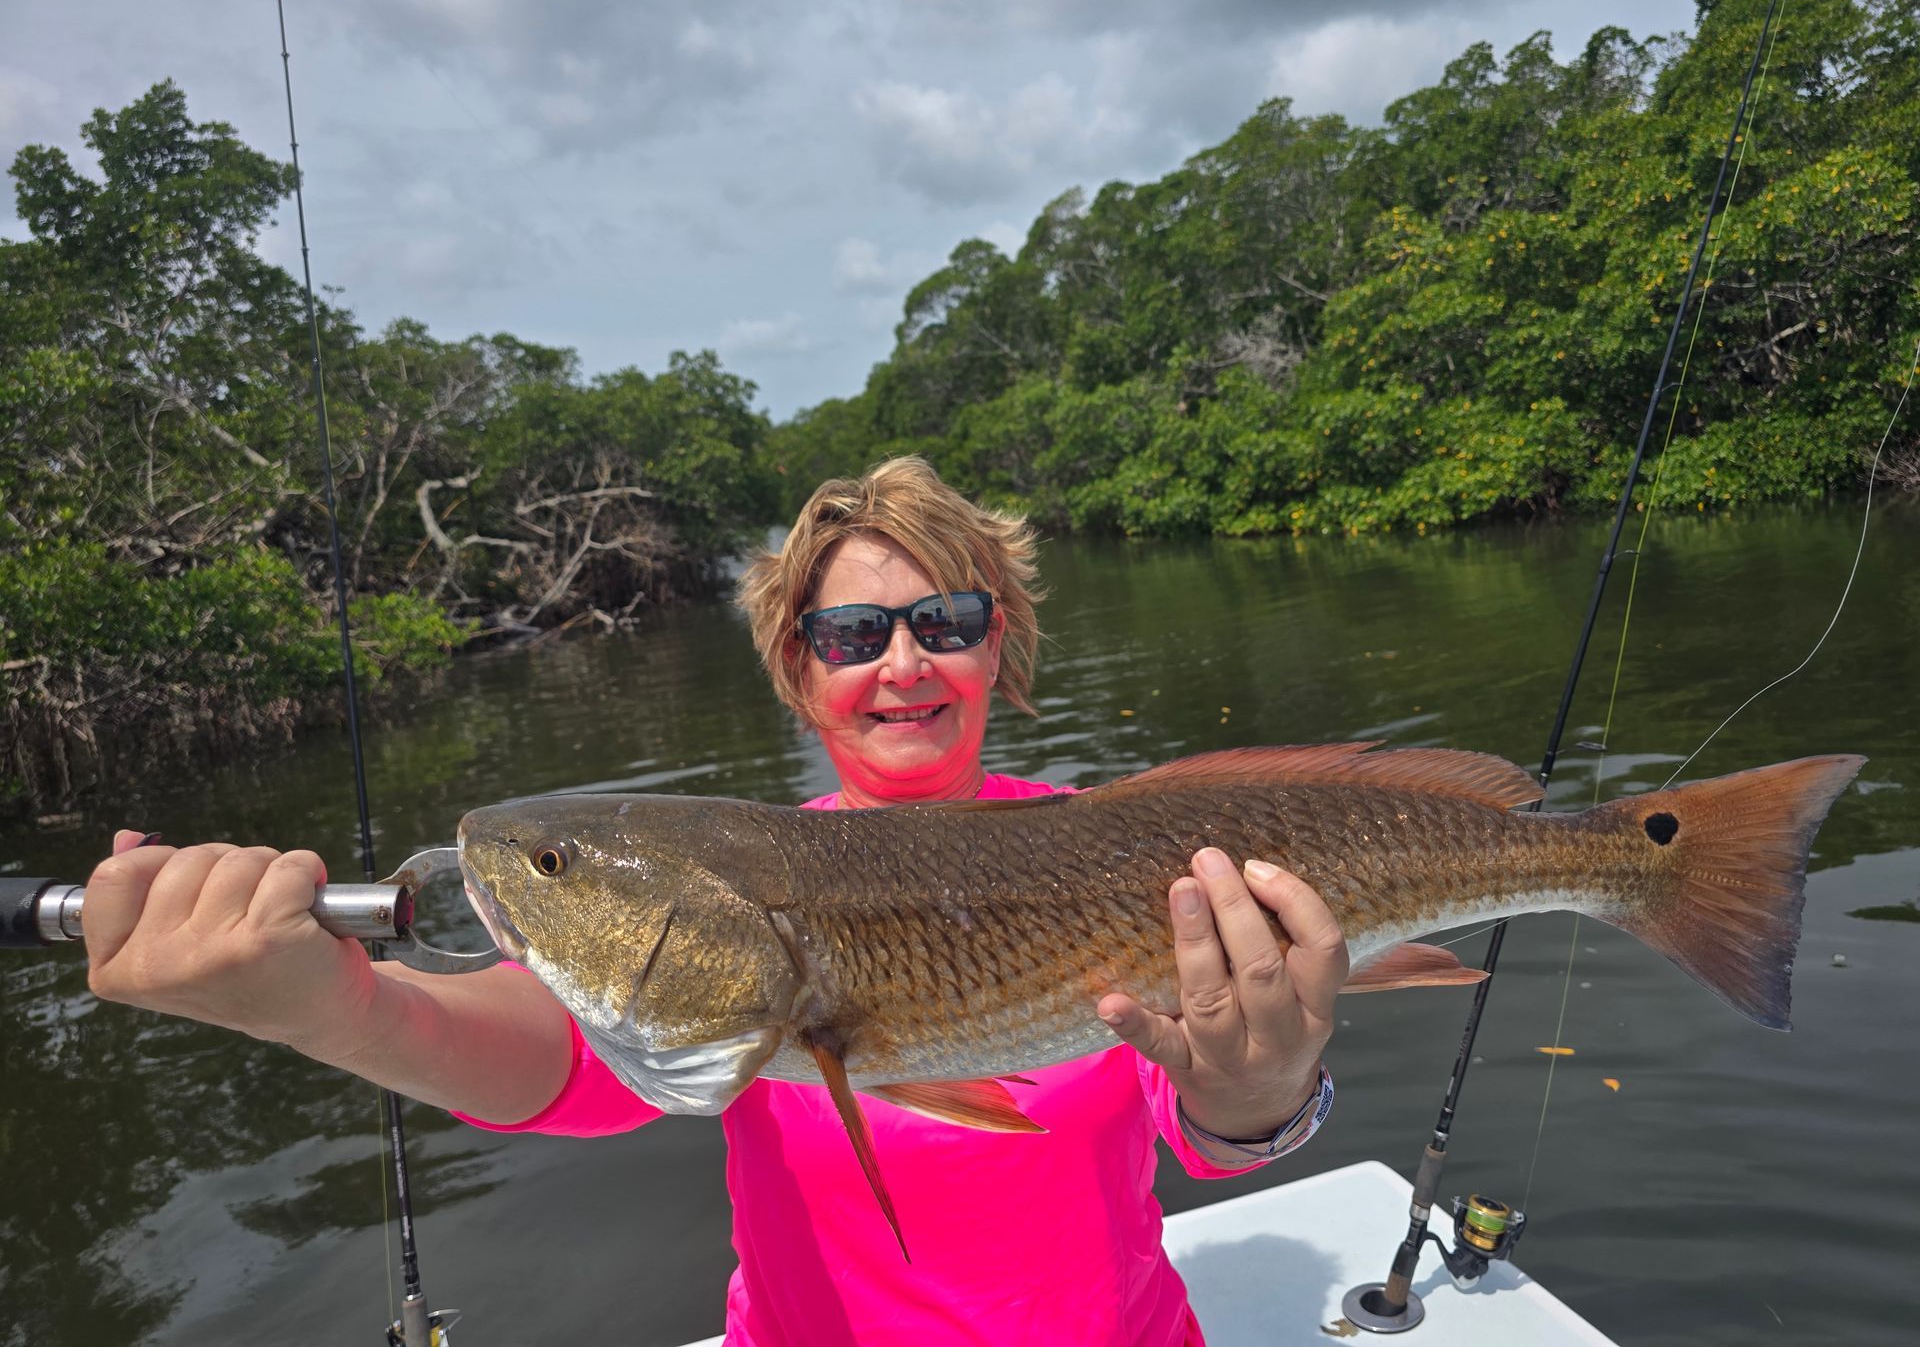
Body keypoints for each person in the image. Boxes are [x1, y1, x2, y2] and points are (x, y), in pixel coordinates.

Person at [84, 455, 1348, 1346]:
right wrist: (332, 1007)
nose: (901, 664)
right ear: (798, 668)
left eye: (943, 620)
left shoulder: (1130, 850)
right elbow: (559, 1055)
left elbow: (1210, 1129)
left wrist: (1260, 1095)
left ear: (996, 641)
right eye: (852, 636)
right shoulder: (731, 883)